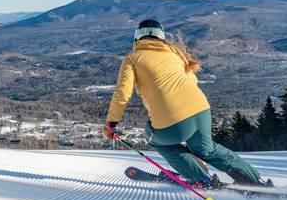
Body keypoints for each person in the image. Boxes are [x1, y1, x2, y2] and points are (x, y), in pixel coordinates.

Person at [103, 19, 270, 188]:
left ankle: (200, 178)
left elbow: (122, 93)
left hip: (173, 120)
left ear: (137, 38)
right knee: (207, 150)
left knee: (153, 139)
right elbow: (192, 80)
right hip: (201, 111)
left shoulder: (132, 58)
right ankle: (255, 181)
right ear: (161, 36)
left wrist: (111, 123)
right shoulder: (175, 54)